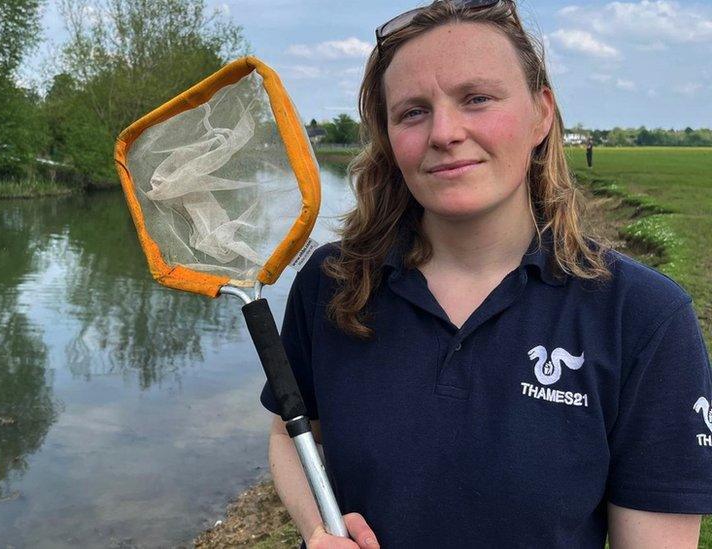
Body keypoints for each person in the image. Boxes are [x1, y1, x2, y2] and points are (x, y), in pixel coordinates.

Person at [260, 1, 712, 547]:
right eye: (412, 112)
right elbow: (292, 429)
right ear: (388, 137)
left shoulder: (642, 316)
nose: (444, 132)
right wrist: (317, 528)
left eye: (477, 99)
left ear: (541, 114)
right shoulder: (331, 283)